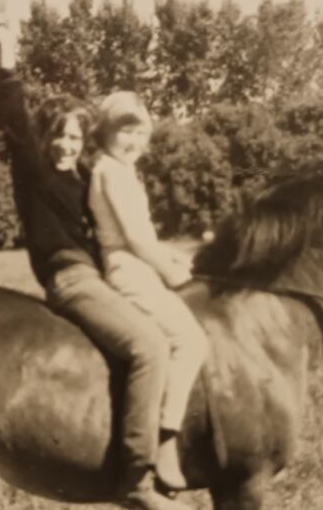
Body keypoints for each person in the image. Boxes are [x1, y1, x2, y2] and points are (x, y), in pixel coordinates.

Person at [0, 15, 189, 510]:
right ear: (46, 137)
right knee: (149, 348)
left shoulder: (83, 181)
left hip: (99, 278)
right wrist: (6, 52)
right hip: (70, 280)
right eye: (59, 136)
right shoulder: (34, 174)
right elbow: (13, 118)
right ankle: (137, 480)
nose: (67, 146)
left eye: (76, 139)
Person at [88, 91, 209, 491]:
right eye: (124, 130)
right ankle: (166, 438)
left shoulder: (121, 171)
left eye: (140, 131)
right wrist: (176, 276)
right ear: (104, 134)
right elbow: (137, 242)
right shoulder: (110, 172)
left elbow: (149, 239)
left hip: (139, 267)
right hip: (128, 271)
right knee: (190, 340)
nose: (134, 140)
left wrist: (182, 259)